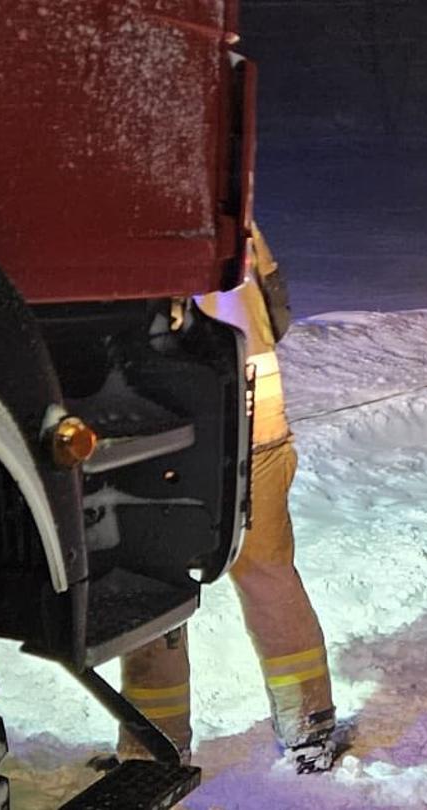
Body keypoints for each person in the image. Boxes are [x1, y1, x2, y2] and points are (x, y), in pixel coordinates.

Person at [116, 224, 343, 773]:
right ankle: (309, 725)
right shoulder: (236, 217)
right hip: (255, 431)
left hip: (164, 437)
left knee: (152, 583)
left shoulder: (129, 217)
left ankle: (153, 747)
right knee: (267, 575)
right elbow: (278, 311)